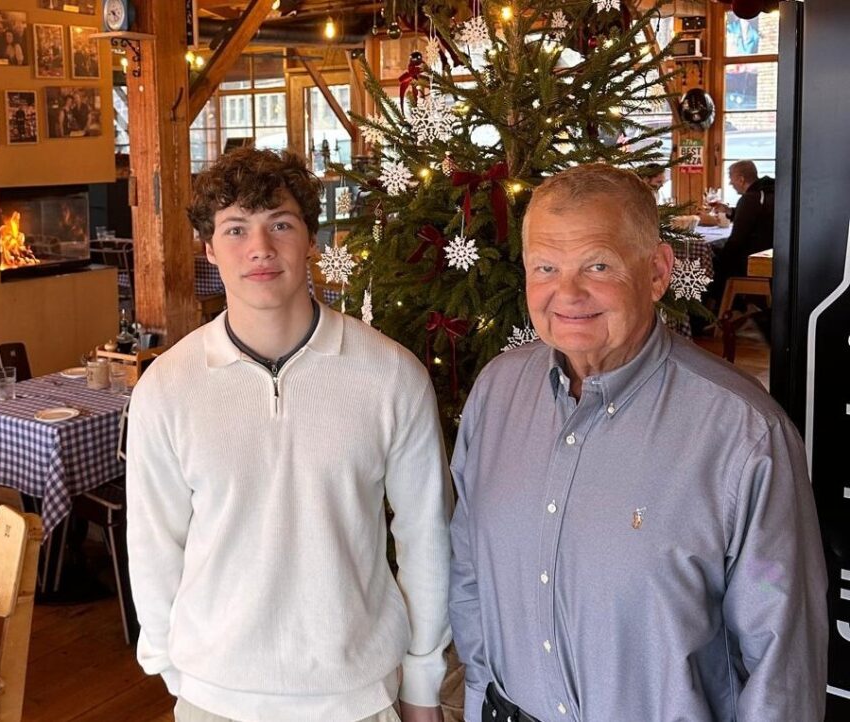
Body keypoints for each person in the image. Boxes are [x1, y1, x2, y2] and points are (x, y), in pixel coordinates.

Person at [448, 163, 827, 722]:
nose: (566, 293)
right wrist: (481, 692)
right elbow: (470, 570)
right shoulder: (496, 393)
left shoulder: (744, 435)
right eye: (545, 267)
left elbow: (782, 665)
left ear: (656, 272)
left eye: (598, 265)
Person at [127, 147, 452, 722]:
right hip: (213, 697)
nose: (260, 248)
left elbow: (425, 535)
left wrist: (423, 679)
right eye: (235, 229)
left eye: (280, 224)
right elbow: (154, 545)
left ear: (311, 239)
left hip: (356, 696)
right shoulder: (167, 388)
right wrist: (178, 673)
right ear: (209, 248)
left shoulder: (391, 376)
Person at [704, 160, 776, 307]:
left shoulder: (749, 199)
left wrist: (719, 257)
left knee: (709, 261)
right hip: (767, 256)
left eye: (731, 178)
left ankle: (713, 311)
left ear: (741, 179)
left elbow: (736, 241)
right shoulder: (768, 193)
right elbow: (756, 218)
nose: (730, 183)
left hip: (749, 261)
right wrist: (730, 211)